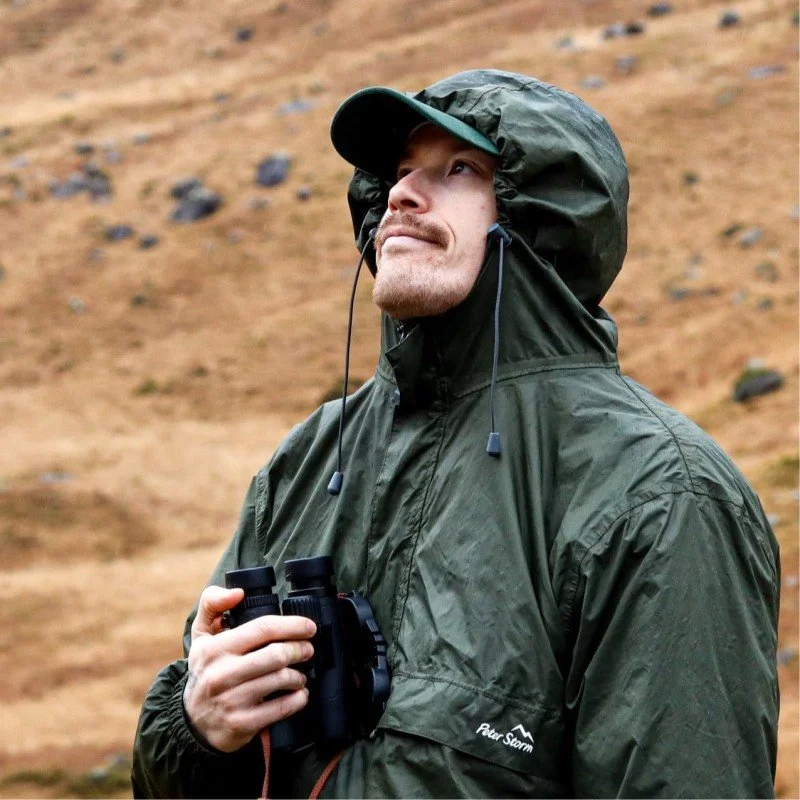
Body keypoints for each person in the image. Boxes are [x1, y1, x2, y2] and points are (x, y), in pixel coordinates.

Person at [132, 69, 780, 798]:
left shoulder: (659, 492)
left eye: (458, 169)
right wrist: (197, 730)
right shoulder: (307, 461)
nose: (400, 196)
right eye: (401, 172)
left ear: (542, 216)